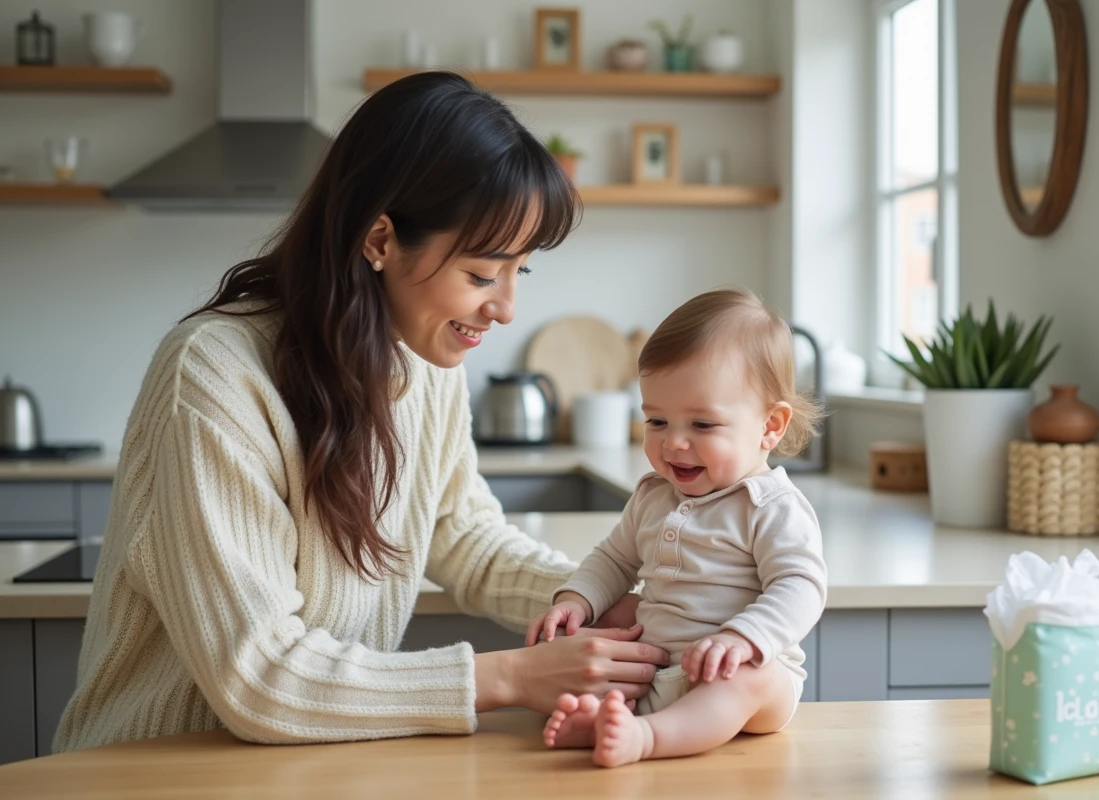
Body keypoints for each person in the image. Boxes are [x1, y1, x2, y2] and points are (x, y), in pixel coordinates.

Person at [53, 71, 669, 753]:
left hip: (313, 764)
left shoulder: (422, 360)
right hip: (154, 772)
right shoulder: (214, 373)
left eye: (518, 271)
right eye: (479, 274)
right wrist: (511, 677)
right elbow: (258, 677)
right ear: (379, 241)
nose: (505, 309)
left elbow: (462, 535)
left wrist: (587, 598)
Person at [528, 288, 829, 767]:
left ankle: (645, 738)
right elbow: (614, 559)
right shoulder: (653, 495)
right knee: (602, 621)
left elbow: (802, 585)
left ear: (770, 425)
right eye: (657, 420)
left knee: (746, 677)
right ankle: (606, 716)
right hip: (660, 663)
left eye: (703, 425)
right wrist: (576, 599)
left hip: (743, 676)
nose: (674, 443)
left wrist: (743, 638)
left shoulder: (771, 506)